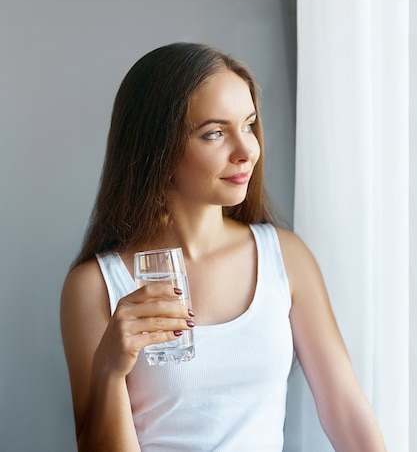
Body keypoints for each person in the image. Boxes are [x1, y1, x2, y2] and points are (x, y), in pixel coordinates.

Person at [60, 41, 386, 452]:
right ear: (156, 148)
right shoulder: (95, 286)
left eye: (248, 125)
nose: (247, 149)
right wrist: (109, 369)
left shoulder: (285, 257)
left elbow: (345, 408)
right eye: (214, 133)